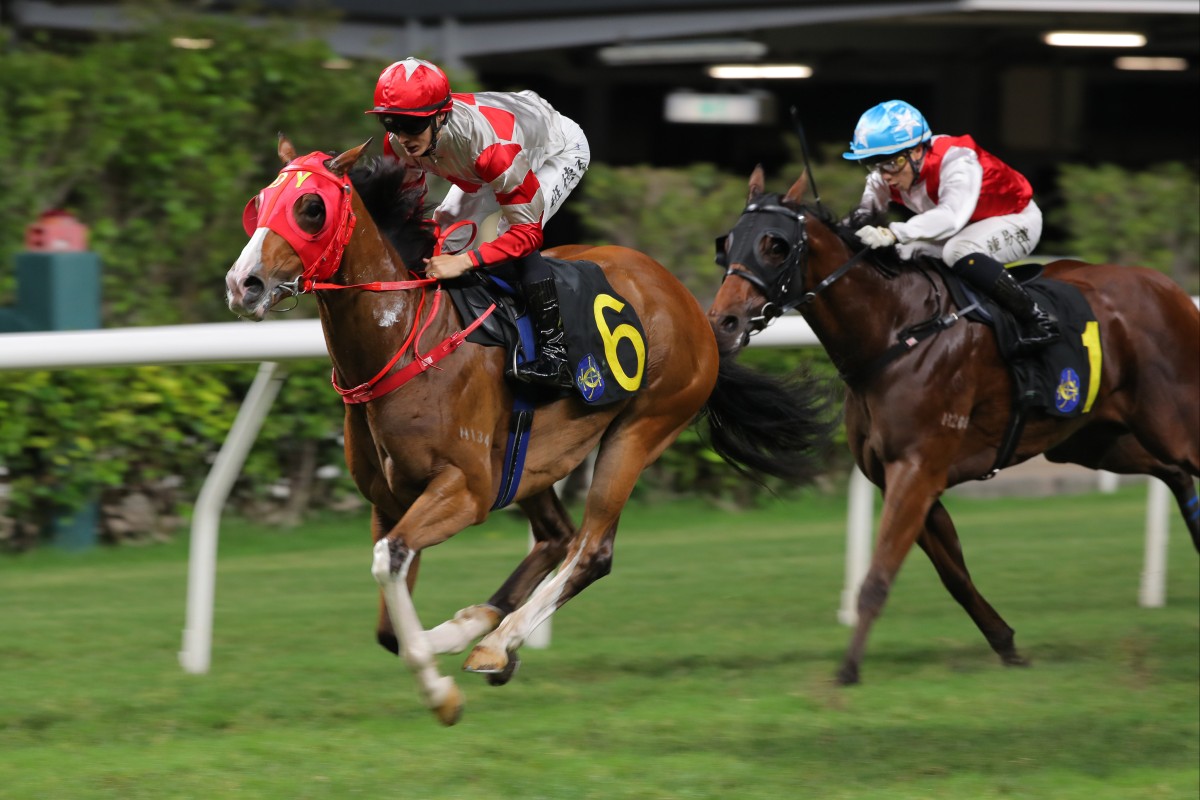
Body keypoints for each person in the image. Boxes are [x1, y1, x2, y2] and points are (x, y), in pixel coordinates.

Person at [366, 57, 591, 387]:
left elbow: (526, 235)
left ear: (441, 116)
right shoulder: (400, 144)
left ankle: (556, 357)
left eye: (412, 126)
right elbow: (407, 215)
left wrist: (464, 262)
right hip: (487, 158)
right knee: (443, 227)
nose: (403, 138)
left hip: (552, 152)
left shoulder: (492, 151)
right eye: (391, 123)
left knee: (508, 236)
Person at [842, 99, 1058, 354]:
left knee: (957, 250)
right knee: (904, 253)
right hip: (965, 227)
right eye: (875, 163)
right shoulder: (885, 174)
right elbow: (863, 216)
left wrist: (893, 232)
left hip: (1016, 219)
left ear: (917, 151)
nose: (885, 175)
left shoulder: (957, 159)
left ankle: (1037, 318)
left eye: (891, 163)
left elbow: (951, 217)